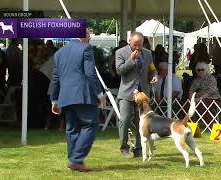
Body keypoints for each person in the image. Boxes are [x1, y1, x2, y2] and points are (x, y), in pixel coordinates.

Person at [50, 29, 105, 172]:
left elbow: (55, 78)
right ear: (83, 35)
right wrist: (99, 93)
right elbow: (90, 72)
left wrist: (54, 100)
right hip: (82, 94)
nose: (90, 37)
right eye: (88, 34)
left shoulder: (59, 53)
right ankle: (76, 160)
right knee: (90, 125)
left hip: (65, 97)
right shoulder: (86, 48)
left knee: (72, 128)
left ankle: (73, 160)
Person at [115, 31, 157, 158]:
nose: (137, 47)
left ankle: (139, 148)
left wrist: (155, 76)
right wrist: (131, 59)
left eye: (140, 45)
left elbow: (152, 68)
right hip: (127, 93)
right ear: (129, 41)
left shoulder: (148, 54)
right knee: (125, 119)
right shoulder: (120, 52)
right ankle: (124, 148)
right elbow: (119, 71)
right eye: (135, 45)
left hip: (143, 93)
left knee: (141, 121)